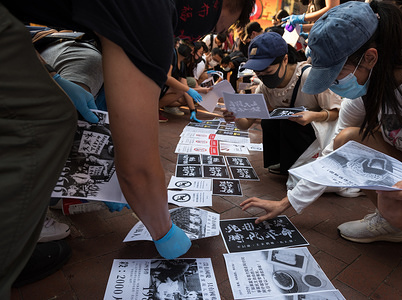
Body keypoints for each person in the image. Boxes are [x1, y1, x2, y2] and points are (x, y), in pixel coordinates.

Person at [0, 0, 254, 297]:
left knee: (57, 105)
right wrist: (164, 231)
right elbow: (138, 170)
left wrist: (52, 77)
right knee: (43, 121)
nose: (197, 38)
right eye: (215, 26)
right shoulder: (152, 13)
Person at [299, 1, 402, 273]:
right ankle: (394, 226)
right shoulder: (370, 86)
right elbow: (336, 153)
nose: (334, 86)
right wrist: (290, 202)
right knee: (348, 141)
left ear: (369, 57)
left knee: (396, 203)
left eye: (336, 75)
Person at [223, 32, 341, 175]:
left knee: (289, 124)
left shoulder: (309, 76)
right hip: (294, 134)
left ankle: (301, 167)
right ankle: (283, 163)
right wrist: (235, 115)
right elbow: (246, 123)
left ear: (285, 59)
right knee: (269, 122)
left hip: (318, 134)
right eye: (258, 73)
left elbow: (337, 113)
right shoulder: (264, 88)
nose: (263, 77)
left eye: (267, 70)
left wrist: (312, 116)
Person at [159, 44, 210, 123]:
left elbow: (184, 87)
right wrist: (190, 89)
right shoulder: (172, 55)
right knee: (181, 90)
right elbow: (167, 78)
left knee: (182, 94)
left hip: (165, 89)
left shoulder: (182, 65)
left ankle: (160, 107)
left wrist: (193, 110)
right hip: (157, 86)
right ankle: (154, 109)